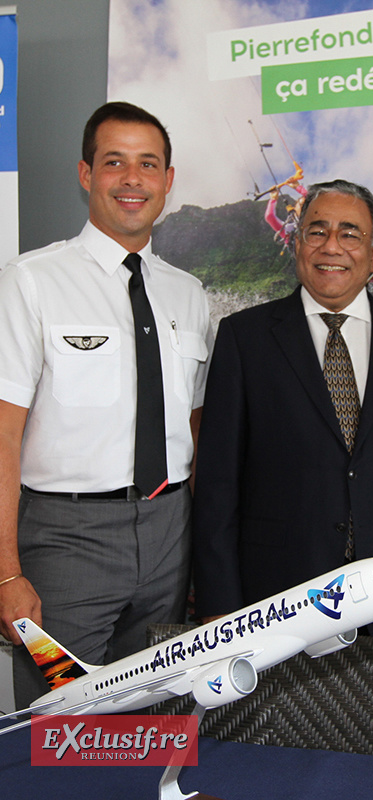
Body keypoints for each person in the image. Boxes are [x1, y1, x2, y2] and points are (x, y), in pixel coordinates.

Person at [0, 102, 212, 708]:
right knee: (61, 726)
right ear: (85, 173)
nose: (132, 178)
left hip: (170, 532)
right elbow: (3, 439)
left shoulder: (189, 294)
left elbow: (191, 430)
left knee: (152, 721)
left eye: (148, 164)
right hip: (65, 541)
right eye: (114, 161)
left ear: (168, 181)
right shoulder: (30, 282)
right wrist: (7, 575)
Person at [192, 179, 373, 644]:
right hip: (271, 599)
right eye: (317, 231)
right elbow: (218, 483)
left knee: (372, 718)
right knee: (270, 721)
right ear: (297, 242)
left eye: (350, 233)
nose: (332, 247)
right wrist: (219, 604)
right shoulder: (245, 338)